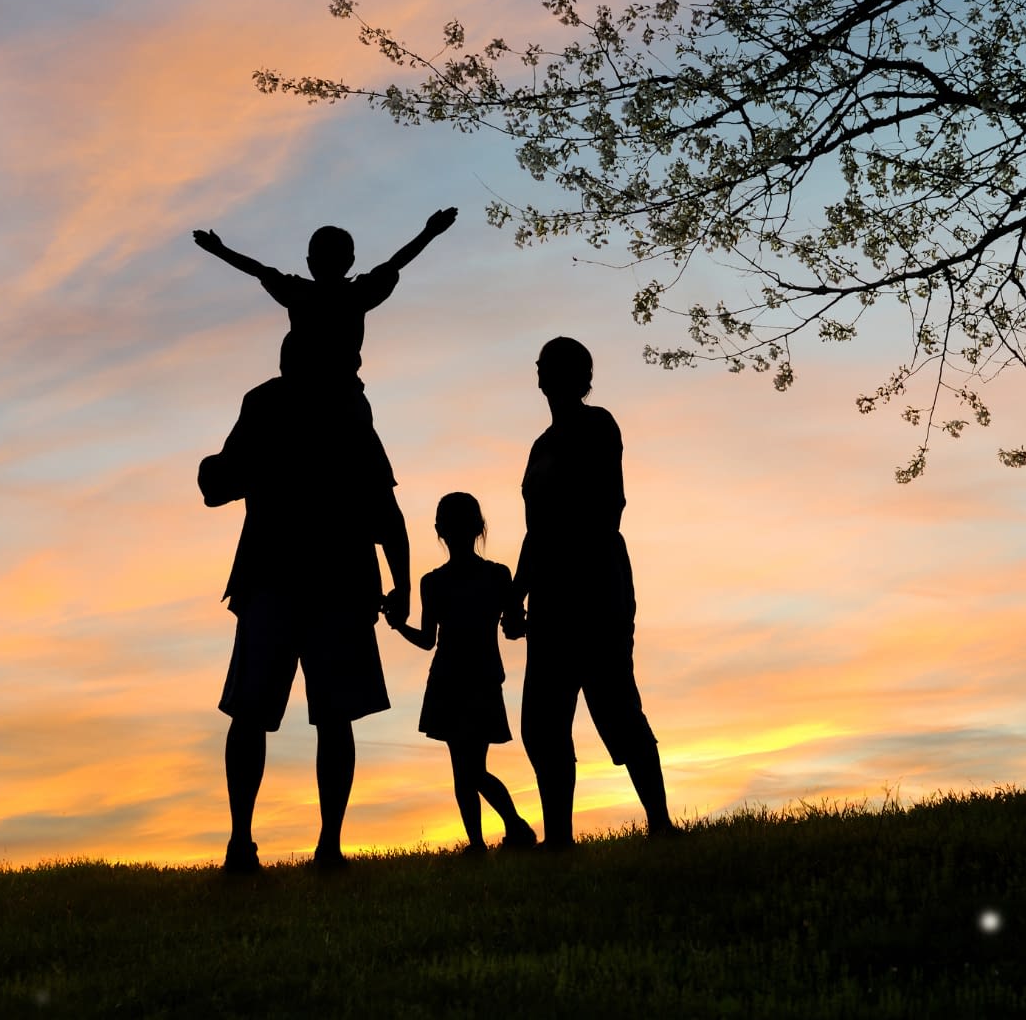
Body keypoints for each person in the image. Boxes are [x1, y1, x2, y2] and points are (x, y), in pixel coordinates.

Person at [198, 369, 411, 874]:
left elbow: (218, 485)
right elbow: (387, 510)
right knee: (328, 718)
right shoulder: (347, 406)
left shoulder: (271, 402)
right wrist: (401, 584)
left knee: (253, 713)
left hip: (277, 577)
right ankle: (325, 846)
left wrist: (213, 470)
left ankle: (245, 843)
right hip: (333, 579)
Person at [510, 337, 678, 849]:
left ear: (574, 376)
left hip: (596, 584)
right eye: (540, 366)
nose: (540, 375)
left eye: (549, 367)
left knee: (615, 705)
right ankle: (559, 835)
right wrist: (519, 593)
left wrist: (559, 565)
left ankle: (660, 822)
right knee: (542, 721)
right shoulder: (539, 446)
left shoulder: (598, 425)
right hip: (551, 595)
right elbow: (533, 529)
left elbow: (608, 504)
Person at [193, 208, 457, 488]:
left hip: (323, 390)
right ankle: (231, 473)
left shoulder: (309, 292)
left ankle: (229, 472)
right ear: (349, 260)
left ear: (310, 262)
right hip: (324, 390)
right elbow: (395, 264)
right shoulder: (350, 293)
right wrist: (429, 232)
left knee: (256, 401)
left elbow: (258, 270)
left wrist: (219, 250)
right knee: (258, 401)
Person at [389, 492, 537, 853]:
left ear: (439, 530)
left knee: (466, 769)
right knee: (470, 768)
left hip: (456, 679)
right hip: (475, 677)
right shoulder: (496, 576)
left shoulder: (435, 581)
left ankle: (505, 831)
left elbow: (426, 640)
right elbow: (515, 625)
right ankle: (493, 837)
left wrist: (397, 626)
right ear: (478, 527)